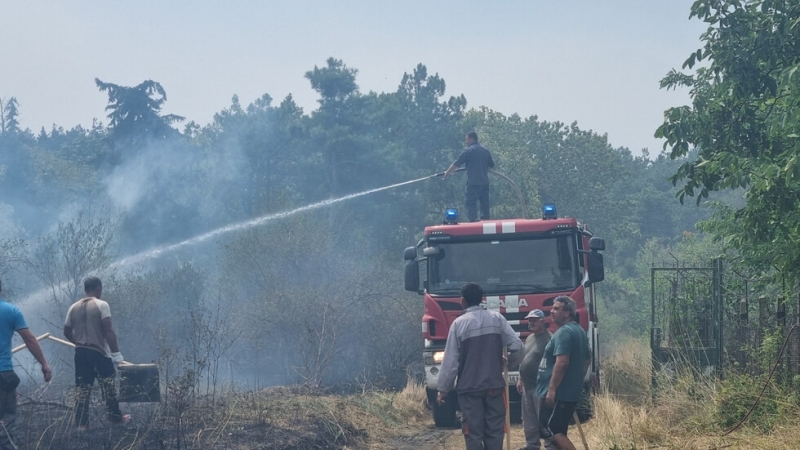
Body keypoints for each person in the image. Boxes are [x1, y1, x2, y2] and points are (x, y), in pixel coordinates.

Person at [437, 282, 523, 450]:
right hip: (494, 387)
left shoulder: (458, 325)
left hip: (469, 390)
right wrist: (510, 361)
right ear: (482, 299)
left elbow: (451, 362)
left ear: (463, 301)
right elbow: (518, 347)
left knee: (473, 432)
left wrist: (443, 389)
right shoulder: (497, 319)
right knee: (495, 431)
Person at [64, 276, 130, 429]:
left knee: (82, 389)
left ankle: (82, 424)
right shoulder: (102, 304)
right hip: (99, 353)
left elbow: (66, 330)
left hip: (80, 354)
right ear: (98, 289)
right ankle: (115, 418)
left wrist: (78, 342)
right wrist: (116, 353)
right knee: (108, 386)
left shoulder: (73, 307)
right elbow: (108, 330)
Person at [0, 278, 52, 450]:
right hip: (5, 375)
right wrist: (44, 364)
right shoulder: (11, 310)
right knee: (7, 421)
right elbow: (30, 339)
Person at [536, 296, 590, 450]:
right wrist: (576, 380)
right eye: (552, 308)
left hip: (559, 393)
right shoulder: (579, 330)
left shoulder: (564, 333)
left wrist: (552, 390)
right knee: (556, 432)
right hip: (568, 391)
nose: (551, 311)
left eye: (556, 308)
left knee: (553, 431)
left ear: (567, 313)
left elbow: (562, 362)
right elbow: (587, 360)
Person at [516, 309, 552, 450]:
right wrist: (520, 378)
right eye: (529, 320)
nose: (531, 322)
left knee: (544, 418)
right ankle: (532, 445)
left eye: (534, 320)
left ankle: (550, 445)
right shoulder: (530, 338)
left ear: (543, 321)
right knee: (529, 419)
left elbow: (554, 362)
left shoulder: (549, 339)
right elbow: (525, 358)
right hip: (527, 385)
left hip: (542, 386)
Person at [443, 131, 495, 222]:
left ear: (472, 139)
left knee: (470, 202)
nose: (465, 142)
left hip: (473, 183)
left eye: (466, 140)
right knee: (484, 203)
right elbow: (491, 164)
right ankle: (486, 220)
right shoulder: (485, 151)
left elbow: (457, 163)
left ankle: (473, 220)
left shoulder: (469, 151)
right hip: (484, 183)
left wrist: (447, 173)